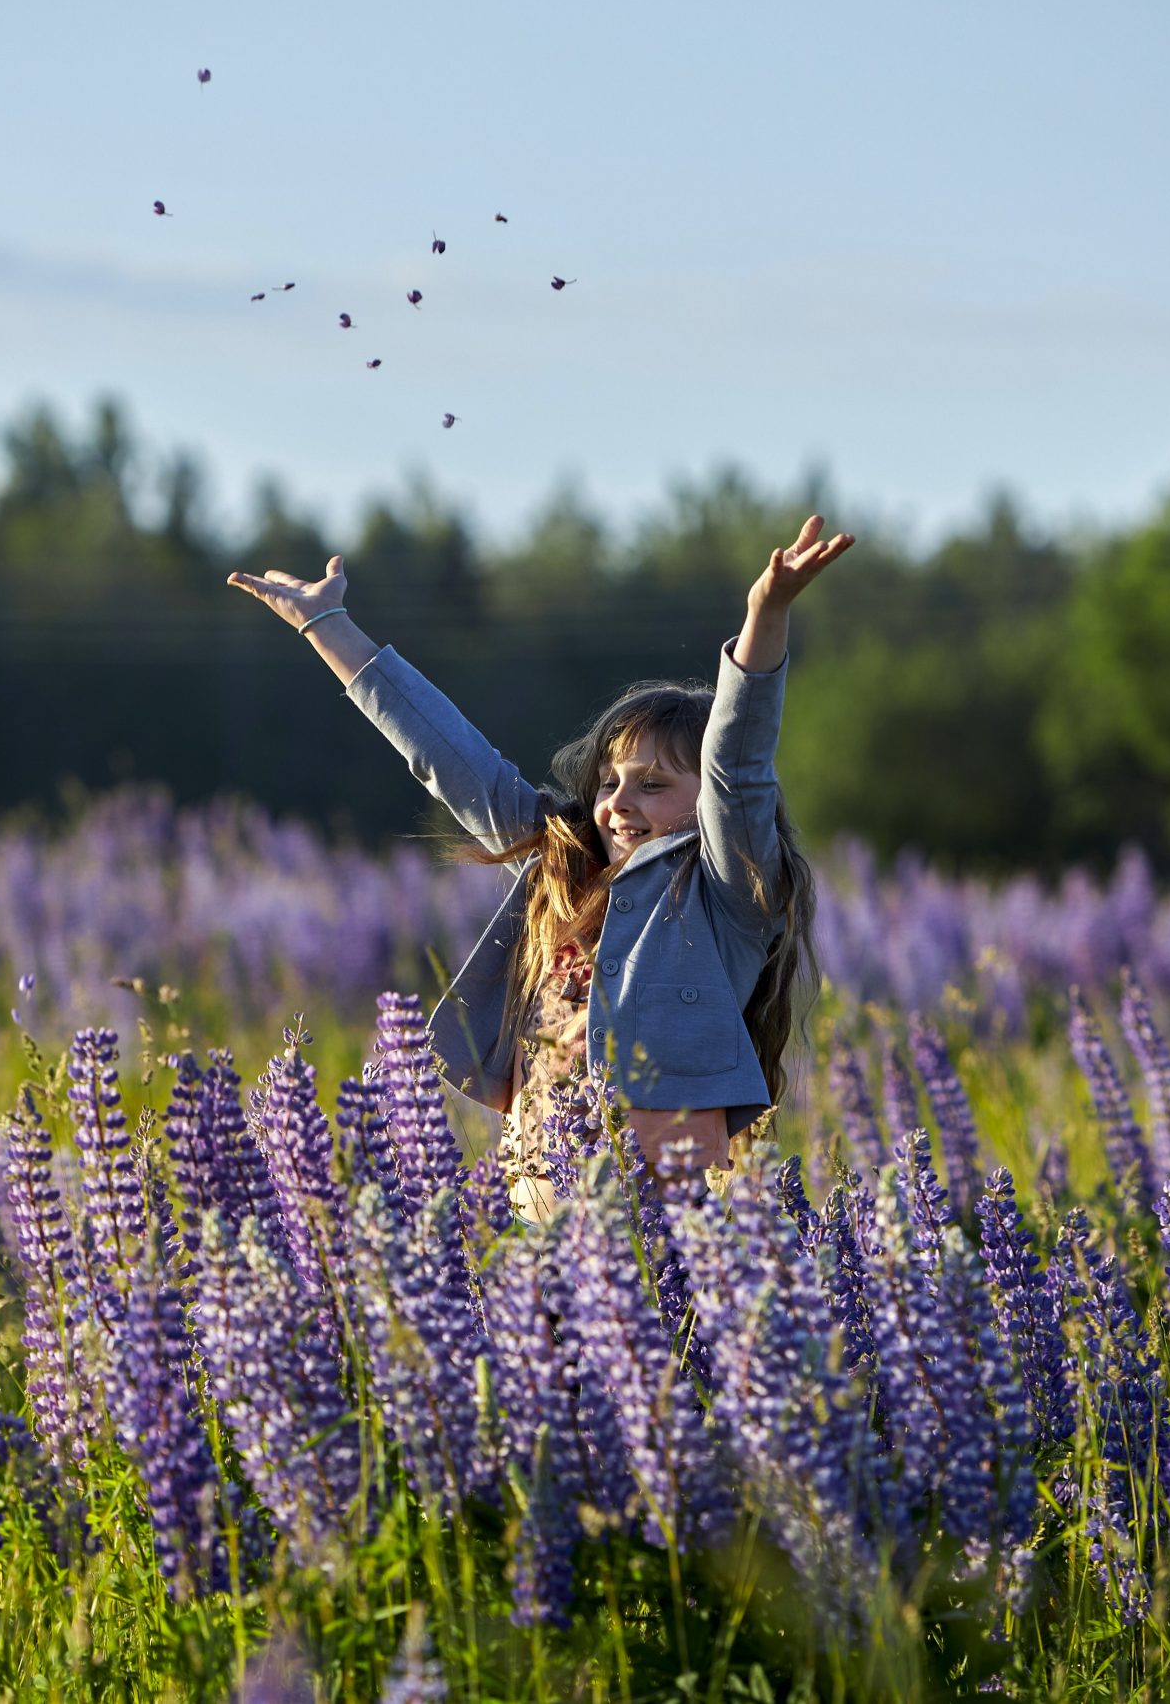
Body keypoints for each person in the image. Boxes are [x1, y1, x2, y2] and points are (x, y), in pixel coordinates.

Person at [227, 516, 846, 1218]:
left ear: (707, 804)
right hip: (541, 1202)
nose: (617, 803)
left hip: (665, 1220)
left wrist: (765, 615)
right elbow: (452, 761)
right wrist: (330, 626)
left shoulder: (726, 895)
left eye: (653, 784)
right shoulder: (565, 867)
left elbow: (739, 762)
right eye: (610, 781)